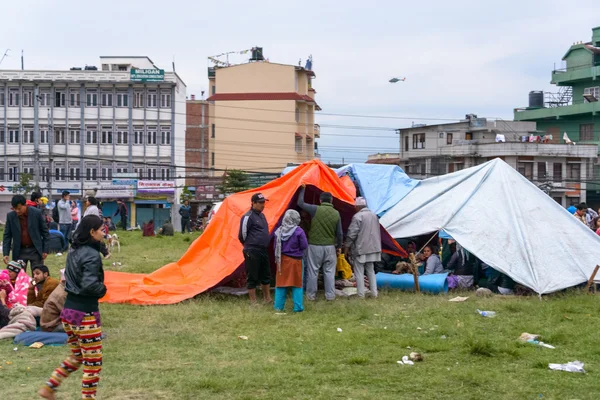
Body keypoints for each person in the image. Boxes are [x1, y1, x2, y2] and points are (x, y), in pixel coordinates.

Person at [39, 215, 106, 400]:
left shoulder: (73, 250)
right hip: (85, 315)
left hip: (68, 312)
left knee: (77, 357)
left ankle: (49, 387)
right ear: (92, 232)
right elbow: (89, 285)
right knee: (93, 362)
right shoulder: (91, 255)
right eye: (101, 229)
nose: (104, 233)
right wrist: (104, 289)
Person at [297, 185, 342, 301]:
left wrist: (302, 189)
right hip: (330, 247)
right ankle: (330, 296)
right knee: (329, 272)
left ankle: (311, 296)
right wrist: (339, 247)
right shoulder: (336, 213)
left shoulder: (315, 209)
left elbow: (300, 203)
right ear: (331, 201)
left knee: (313, 271)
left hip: (315, 246)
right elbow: (340, 233)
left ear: (320, 200)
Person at [344, 197, 381, 298]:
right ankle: (374, 293)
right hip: (374, 248)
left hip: (361, 249)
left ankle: (361, 295)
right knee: (371, 271)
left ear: (357, 206)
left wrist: (346, 248)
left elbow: (352, 234)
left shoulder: (357, 216)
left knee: (359, 272)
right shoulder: (374, 216)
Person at [238, 193, 272, 305]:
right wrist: (249, 246)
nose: (263, 205)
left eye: (264, 202)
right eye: (261, 203)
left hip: (263, 249)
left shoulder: (262, 216)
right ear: (253, 203)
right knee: (252, 275)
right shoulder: (247, 217)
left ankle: (267, 298)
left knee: (266, 274)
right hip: (252, 249)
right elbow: (242, 235)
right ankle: (253, 302)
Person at [3, 194, 50, 273]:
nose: (17, 211)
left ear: (25, 205)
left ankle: (36, 286)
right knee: (19, 276)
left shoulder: (36, 213)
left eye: (19, 208)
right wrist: (6, 253)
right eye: (15, 209)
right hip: (19, 251)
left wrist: (45, 250)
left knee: (37, 276)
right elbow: (7, 235)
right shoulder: (11, 216)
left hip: (35, 250)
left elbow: (45, 232)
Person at [273, 210, 308, 313]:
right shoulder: (299, 231)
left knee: (280, 284)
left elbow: (275, 247)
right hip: (295, 261)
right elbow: (304, 245)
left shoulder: (278, 231)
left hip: (282, 261)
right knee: (297, 285)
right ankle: (298, 308)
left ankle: (278, 307)